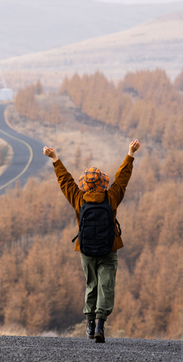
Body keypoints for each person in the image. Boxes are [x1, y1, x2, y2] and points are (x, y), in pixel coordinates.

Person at [43, 139, 140, 343]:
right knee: (106, 285)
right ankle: (100, 326)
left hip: (86, 249)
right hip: (109, 247)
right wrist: (130, 154)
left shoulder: (78, 198)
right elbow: (122, 178)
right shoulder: (111, 196)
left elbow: (65, 181)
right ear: (103, 182)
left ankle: (88, 325)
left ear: (84, 183)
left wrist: (55, 159)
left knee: (91, 284)